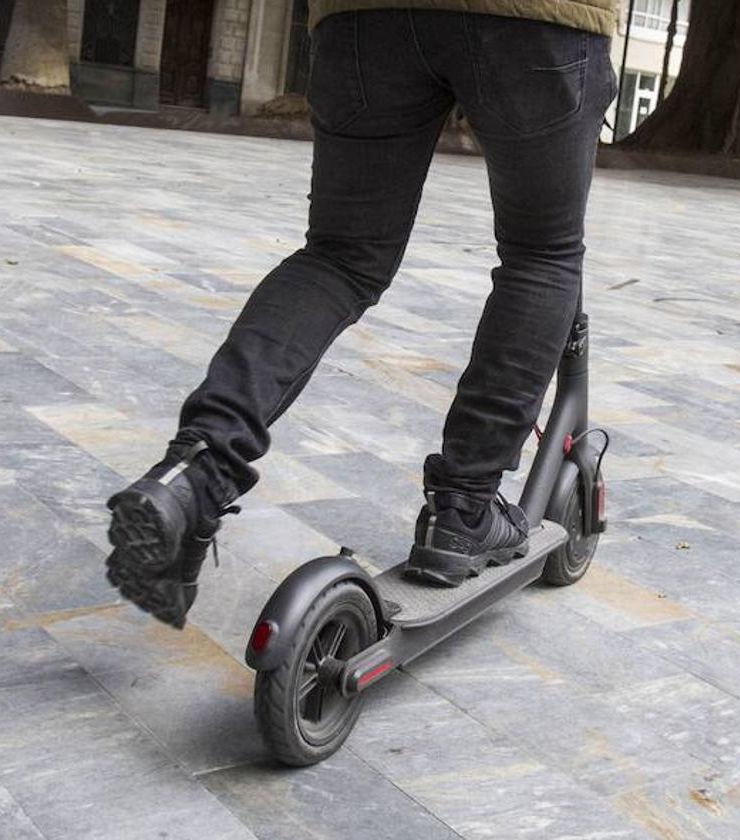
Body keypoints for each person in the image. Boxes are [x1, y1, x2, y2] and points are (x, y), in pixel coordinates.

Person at [106, 4, 618, 629]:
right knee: (542, 254)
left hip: (364, 15)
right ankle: (463, 513)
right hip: (535, 19)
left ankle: (197, 470)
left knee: (340, 256)